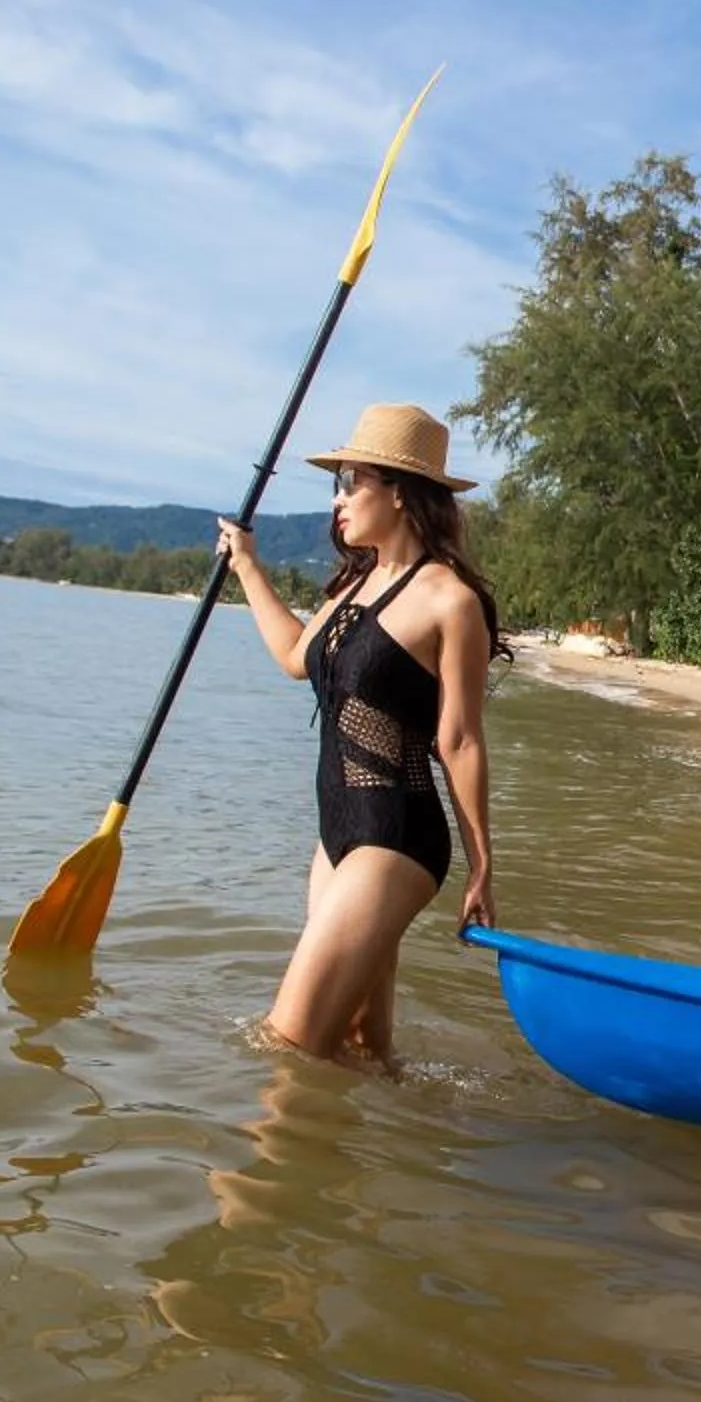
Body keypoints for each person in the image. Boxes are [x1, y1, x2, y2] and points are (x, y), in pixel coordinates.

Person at [216, 402, 505, 1066]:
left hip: (396, 836)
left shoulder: (450, 601)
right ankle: (406, 1127)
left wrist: (482, 866)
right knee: (360, 1047)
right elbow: (296, 657)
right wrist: (247, 568)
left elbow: (459, 741)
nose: (338, 500)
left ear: (399, 492)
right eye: (338, 483)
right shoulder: (355, 585)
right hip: (337, 834)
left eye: (352, 482)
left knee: (288, 1044)